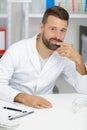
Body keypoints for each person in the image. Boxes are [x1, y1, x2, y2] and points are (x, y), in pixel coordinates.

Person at [0, 6, 87, 109]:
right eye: (53, 29)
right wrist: (25, 98)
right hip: (15, 107)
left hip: (45, 110)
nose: (58, 36)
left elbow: (84, 90)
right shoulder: (16, 50)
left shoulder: (64, 56)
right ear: (42, 27)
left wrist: (79, 61)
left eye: (62, 30)